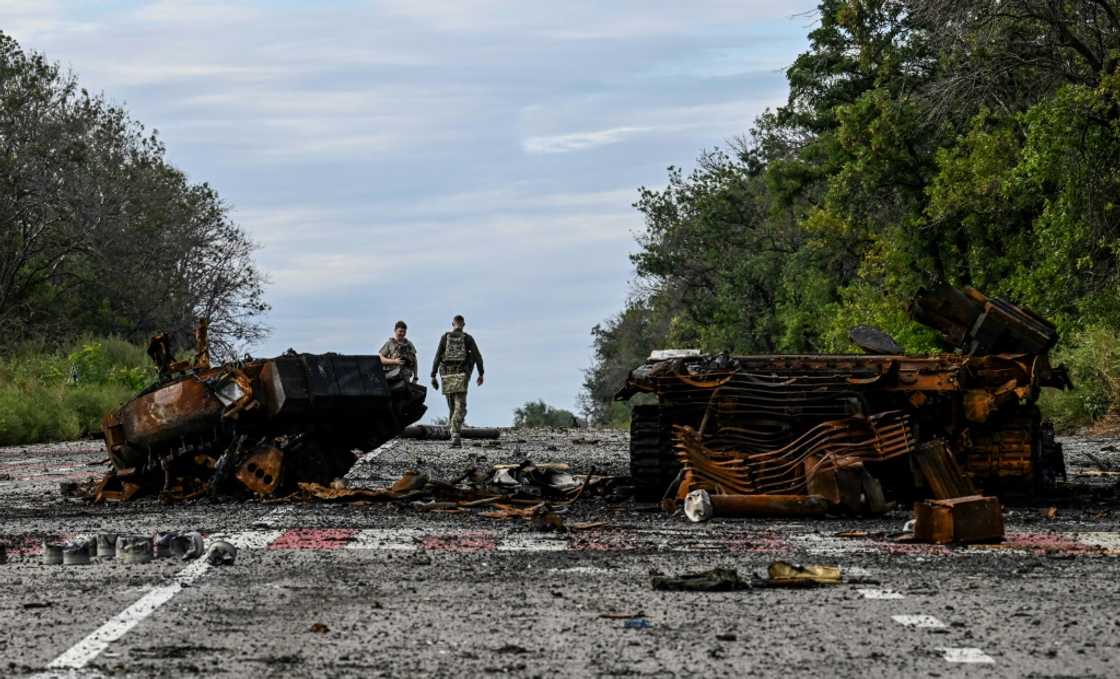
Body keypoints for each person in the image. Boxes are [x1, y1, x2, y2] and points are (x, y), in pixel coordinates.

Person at [430, 314, 484, 447]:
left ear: (452, 324)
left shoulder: (445, 337)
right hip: (461, 375)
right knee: (460, 406)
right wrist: (481, 373)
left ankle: (453, 433)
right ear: (463, 325)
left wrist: (433, 375)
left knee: (452, 406)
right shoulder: (468, 338)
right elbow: (477, 356)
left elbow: (437, 356)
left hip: (447, 375)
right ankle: (455, 435)